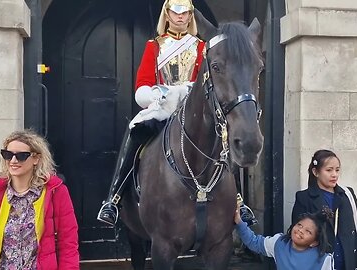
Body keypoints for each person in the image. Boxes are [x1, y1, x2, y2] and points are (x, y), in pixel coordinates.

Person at [97, 0, 257, 227]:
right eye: (176, 12)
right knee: (135, 132)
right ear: (168, 14)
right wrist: (157, 95)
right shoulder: (155, 46)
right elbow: (142, 85)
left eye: (186, 12)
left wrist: (186, 92)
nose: (181, 17)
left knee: (224, 138)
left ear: (191, 15)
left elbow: (209, 80)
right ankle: (114, 198)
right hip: (162, 106)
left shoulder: (202, 47)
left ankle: (240, 201)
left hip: (195, 106)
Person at [0, 130, 79, 269]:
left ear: (36, 159)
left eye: (21, 156)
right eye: (8, 155)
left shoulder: (56, 193)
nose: (13, 161)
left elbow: (68, 244)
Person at [291, 149, 357, 270]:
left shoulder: (347, 194)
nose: (334, 174)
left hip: (349, 263)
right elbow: (297, 235)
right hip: (319, 263)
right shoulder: (304, 198)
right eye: (329, 170)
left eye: (337, 170)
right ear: (315, 172)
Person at [235, 205, 334, 270]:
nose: (300, 230)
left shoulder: (324, 260)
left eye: (308, 231)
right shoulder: (279, 242)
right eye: (299, 225)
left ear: (314, 242)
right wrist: (239, 222)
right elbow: (254, 243)